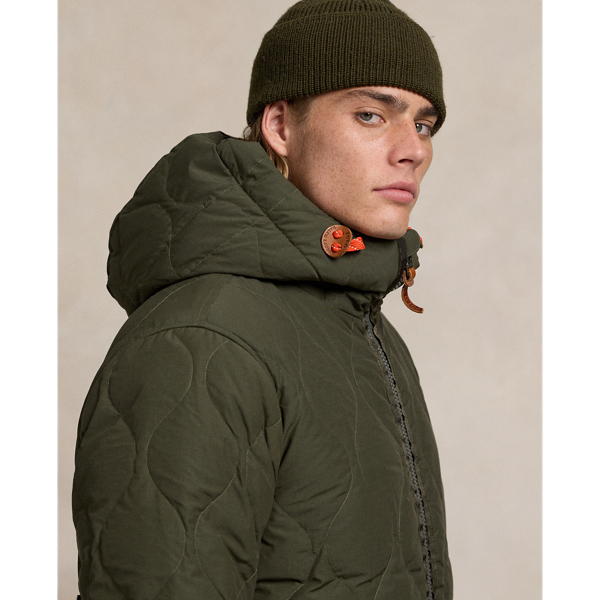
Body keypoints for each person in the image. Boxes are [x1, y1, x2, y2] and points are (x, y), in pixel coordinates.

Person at [72, 1, 452, 599]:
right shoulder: (203, 340)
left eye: (423, 125)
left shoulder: (362, 324)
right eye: (371, 115)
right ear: (279, 127)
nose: (414, 150)